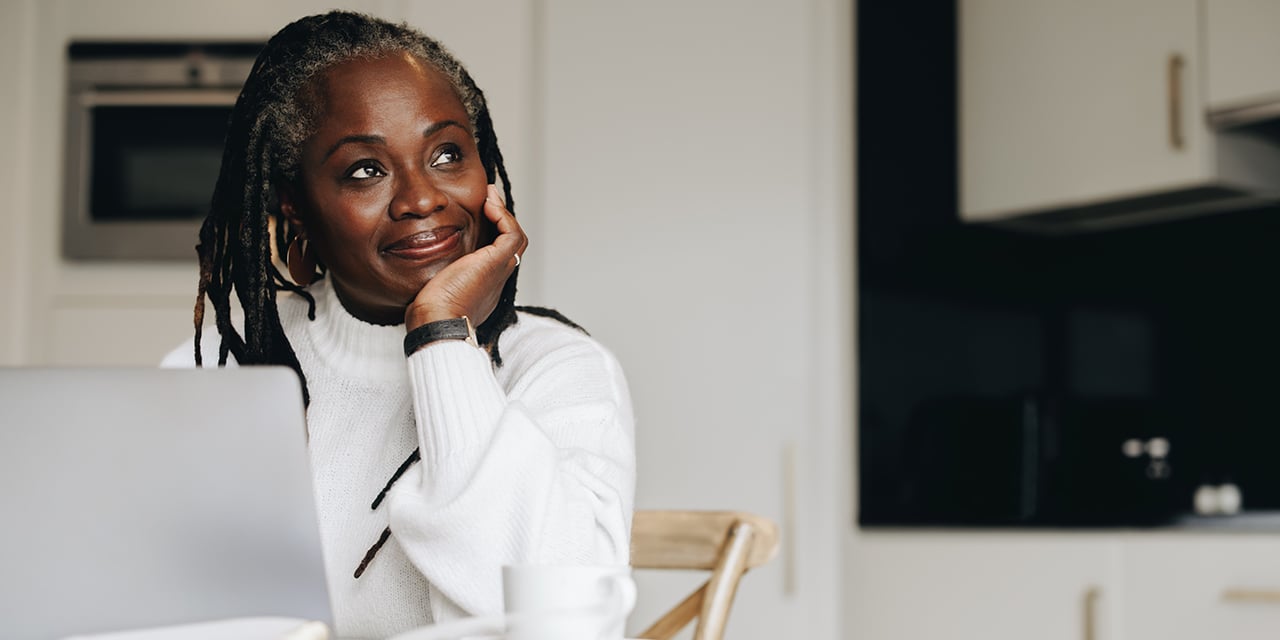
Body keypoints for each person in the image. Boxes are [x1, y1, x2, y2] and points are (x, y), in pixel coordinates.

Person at [162, 11, 635, 639]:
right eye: (366, 169)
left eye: (446, 154)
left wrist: (440, 337)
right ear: (293, 206)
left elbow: (564, 627)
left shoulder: (555, 369)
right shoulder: (220, 366)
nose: (421, 199)